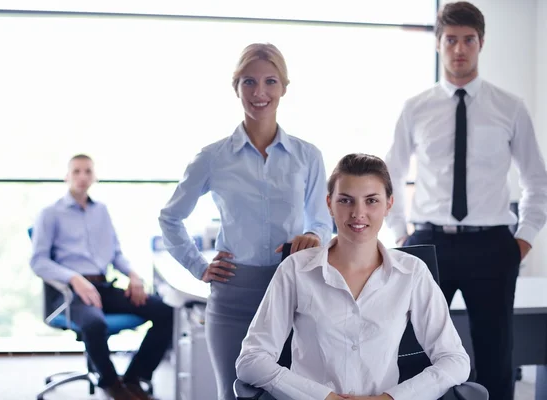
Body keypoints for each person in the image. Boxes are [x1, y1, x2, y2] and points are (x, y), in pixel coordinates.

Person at [384, 2, 547, 399]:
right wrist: (402, 235)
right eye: (451, 40)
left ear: (481, 43)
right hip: (428, 243)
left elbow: (537, 181)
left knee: (495, 354)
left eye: (468, 40)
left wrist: (520, 242)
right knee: (415, 352)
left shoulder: (510, 107)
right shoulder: (416, 108)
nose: (460, 49)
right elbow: (388, 176)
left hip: (491, 246)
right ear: (439, 44)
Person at [159, 43, 333, 400]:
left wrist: (313, 236)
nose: (260, 92)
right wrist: (198, 266)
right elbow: (170, 218)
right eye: (249, 82)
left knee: (293, 394)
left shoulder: (308, 156)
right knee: (234, 393)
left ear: (284, 87)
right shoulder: (212, 157)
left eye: (270, 81)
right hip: (233, 295)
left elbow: (322, 221)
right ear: (236, 87)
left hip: (294, 293)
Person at [236, 153, 470, 400]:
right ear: (329, 204)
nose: (358, 213)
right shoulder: (296, 270)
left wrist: (391, 398)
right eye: (346, 200)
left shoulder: (412, 273)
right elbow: (251, 360)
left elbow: (454, 360)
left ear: (389, 204)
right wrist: (325, 397)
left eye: (371, 201)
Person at [30, 154, 173, 400]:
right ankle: (113, 386)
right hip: (70, 292)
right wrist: (74, 278)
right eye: (76, 171)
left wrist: (133, 275)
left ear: (94, 176)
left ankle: (134, 378)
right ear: (67, 176)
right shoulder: (50, 213)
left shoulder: (101, 211)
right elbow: (38, 261)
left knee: (165, 311)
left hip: (103, 286)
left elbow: (115, 254)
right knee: (95, 324)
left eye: (87, 171)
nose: (82, 177)